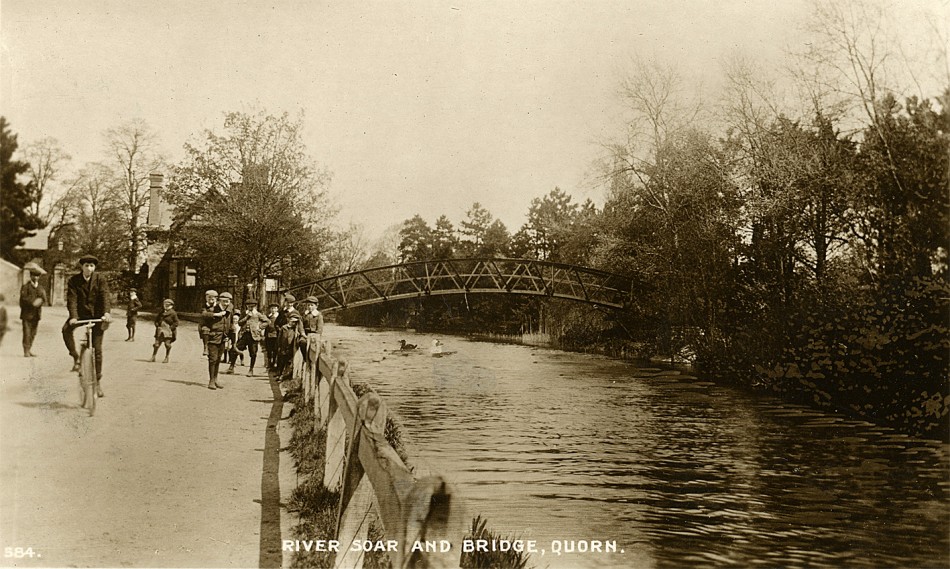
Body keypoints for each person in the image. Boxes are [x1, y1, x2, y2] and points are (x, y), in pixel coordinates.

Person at [63, 255, 112, 397]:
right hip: (81, 316)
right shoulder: (74, 281)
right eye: (86, 266)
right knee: (65, 330)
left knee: (97, 350)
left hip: (98, 316)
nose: (89, 268)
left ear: (94, 267)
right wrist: (73, 316)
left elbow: (105, 297)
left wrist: (106, 313)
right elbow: (71, 299)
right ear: (82, 267)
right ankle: (75, 357)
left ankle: (97, 383)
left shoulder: (100, 279)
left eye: (92, 266)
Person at [202, 290, 233, 390]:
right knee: (213, 359)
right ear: (219, 301)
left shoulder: (229, 310)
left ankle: (215, 379)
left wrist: (229, 335)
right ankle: (211, 381)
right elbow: (204, 315)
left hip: (223, 338)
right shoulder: (213, 309)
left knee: (219, 359)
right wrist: (216, 314)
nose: (225, 303)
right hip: (213, 337)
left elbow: (230, 322)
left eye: (227, 301)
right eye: (223, 301)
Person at [19, 266, 49, 357]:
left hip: (36, 314)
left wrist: (41, 301)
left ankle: (29, 348)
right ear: (30, 276)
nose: (36, 278)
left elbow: (44, 298)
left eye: (37, 276)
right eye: (34, 276)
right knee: (27, 333)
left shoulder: (40, 287)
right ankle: (26, 350)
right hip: (27, 314)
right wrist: (34, 302)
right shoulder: (26, 287)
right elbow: (23, 299)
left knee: (33, 333)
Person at [238, 298, 269, 376]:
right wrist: (247, 317)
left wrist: (260, 327)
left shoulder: (258, 314)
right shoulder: (244, 313)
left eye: (252, 306)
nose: (250, 308)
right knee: (236, 349)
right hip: (244, 334)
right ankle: (231, 367)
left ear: (255, 306)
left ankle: (251, 369)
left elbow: (267, 321)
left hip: (254, 335)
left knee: (253, 353)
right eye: (248, 306)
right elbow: (239, 323)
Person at [149, 298, 179, 363]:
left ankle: (166, 357)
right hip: (160, 330)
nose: (166, 306)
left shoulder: (173, 313)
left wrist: (171, 328)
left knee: (167, 344)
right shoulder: (161, 312)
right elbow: (156, 320)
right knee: (156, 344)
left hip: (168, 331)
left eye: (168, 305)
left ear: (171, 306)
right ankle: (153, 356)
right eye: (165, 305)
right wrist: (157, 325)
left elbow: (176, 322)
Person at [199, 290, 218, 357]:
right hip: (206, 324)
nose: (210, 300)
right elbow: (204, 314)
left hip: (217, 323)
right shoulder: (204, 305)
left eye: (212, 298)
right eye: (208, 298)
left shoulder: (218, 305)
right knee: (205, 330)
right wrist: (215, 314)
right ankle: (205, 347)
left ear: (216, 298)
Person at [263, 303, 280, 371]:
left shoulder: (278, 317)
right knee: (269, 350)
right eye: (272, 308)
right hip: (268, 335)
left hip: (275, 335)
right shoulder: (268, 316)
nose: (273, 310)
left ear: (277, 309)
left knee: (275, 350)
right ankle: (269, 363)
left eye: (275, 308)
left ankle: (274, 363)